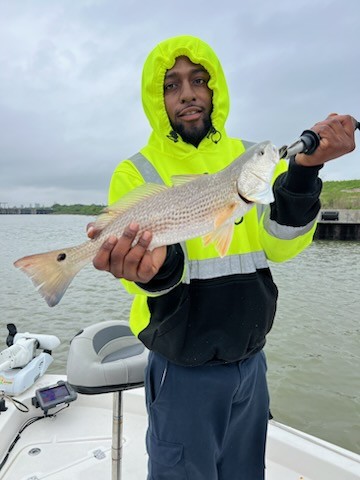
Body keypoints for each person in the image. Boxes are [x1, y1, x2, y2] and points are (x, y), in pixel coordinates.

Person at [88, 35, 356, 479]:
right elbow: (148, 273)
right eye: (171, 85)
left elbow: (280, 243)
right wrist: (157, 270)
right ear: (157, 99)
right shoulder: (136, 171)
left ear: (216, 89)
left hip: (251, 364)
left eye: (199, 79)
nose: (188, 93)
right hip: (182, 370)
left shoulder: (248, 157)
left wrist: (305, 172)